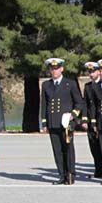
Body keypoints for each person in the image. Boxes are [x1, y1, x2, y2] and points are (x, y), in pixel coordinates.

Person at [40, 57, 85, 185]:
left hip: (66, 123)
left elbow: (79, 103)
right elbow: (44, 104)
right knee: (57, 150)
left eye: (56, 68)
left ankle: (70, 174)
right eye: (52, 69)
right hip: (53, 121)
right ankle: (61, 174)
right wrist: (44, 122)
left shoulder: (69, 83)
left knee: (68, 149)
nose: (54, 71)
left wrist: (73, 115)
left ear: (62, 69)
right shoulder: (46, 85)